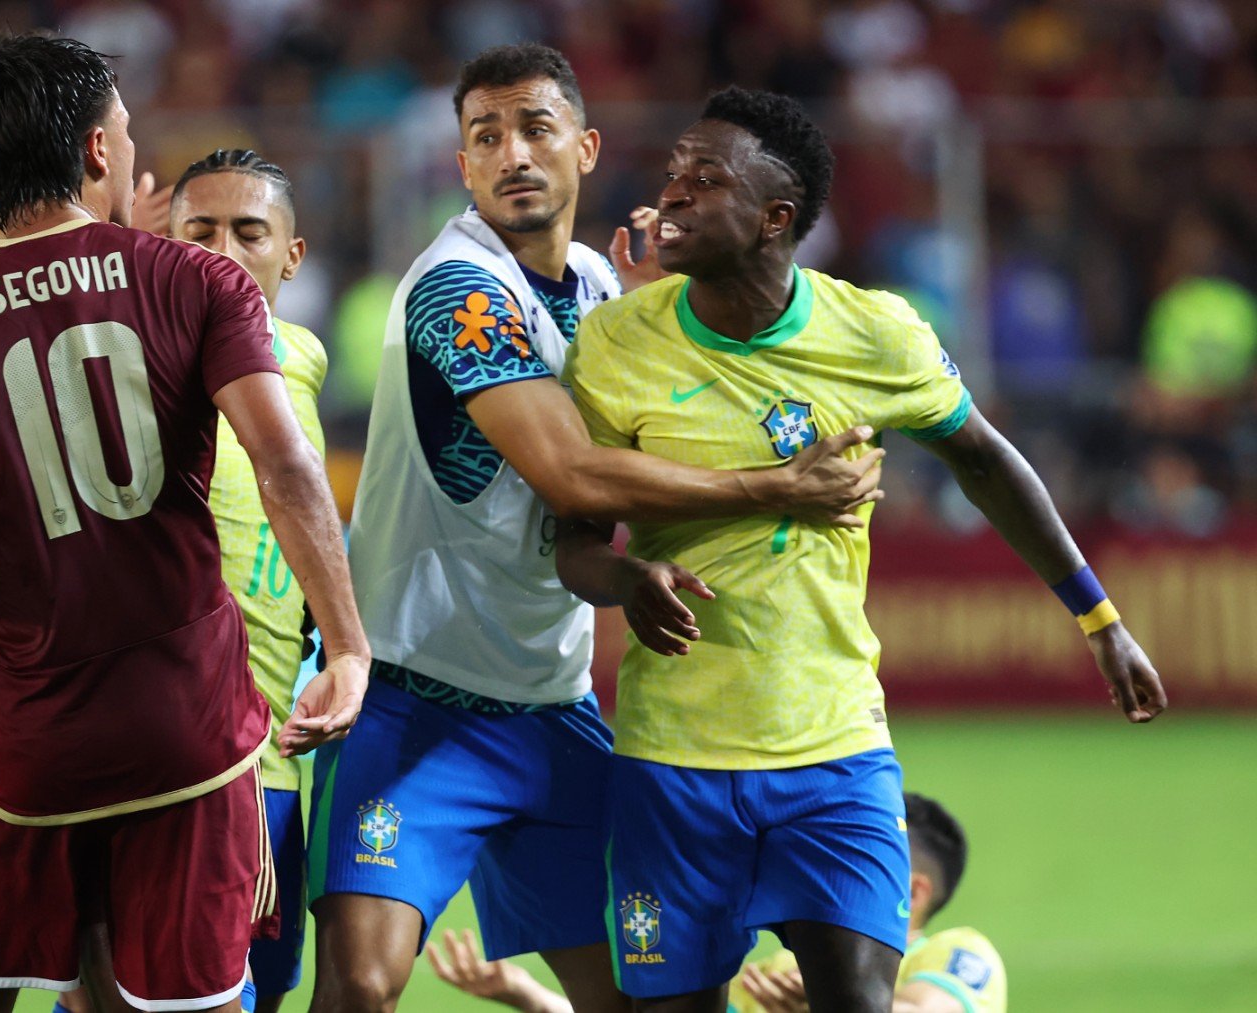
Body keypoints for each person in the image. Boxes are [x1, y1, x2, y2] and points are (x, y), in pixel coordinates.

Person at [557, 86, 1163, 1012]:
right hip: (671, 760)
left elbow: (988, 464)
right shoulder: (612, 344)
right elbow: (574, 546)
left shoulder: (874, 333)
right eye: (675, 171)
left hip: (832, 754)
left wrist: (1098, 613)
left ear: (776, 218)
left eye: (705, 178)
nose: (672, 193)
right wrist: (627, 578)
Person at [315, 44, 884, 1013]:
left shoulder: (594, 286)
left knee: (628, 999)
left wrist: (637, 314)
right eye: (484, 137)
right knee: (363, 984)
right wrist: (777, 485)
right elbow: (567, 470)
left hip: (552, 702)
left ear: (584, 149)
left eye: (535, 130)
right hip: (418, 697)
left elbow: (595, 488)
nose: (512, 155)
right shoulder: (457, 285)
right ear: (462, 167)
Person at [0, 31, 370, 1012]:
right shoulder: (199, 282)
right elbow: (287, 463)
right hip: (189, 730)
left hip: (27, 735)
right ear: (97, 151)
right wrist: (345, 644)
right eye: (126, 128)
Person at [168, 147, 327, 1013]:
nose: (222, 249)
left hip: (275, 756)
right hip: (173, 756)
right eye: (201, 230)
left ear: (291, 255)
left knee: (262, 989)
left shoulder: (299, 358)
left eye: (248, 231)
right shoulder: (141, 367)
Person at [426, 793, 1007, 1013]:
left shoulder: (959, 955)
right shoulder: (780, 967)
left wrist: (834, 996)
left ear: (913, 890)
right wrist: (524, 994)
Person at [732, 794, 1006, 1013]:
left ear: (912, 891)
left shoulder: (959, 953)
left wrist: (828, 1003)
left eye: (859, 859)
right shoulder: (778, 973)